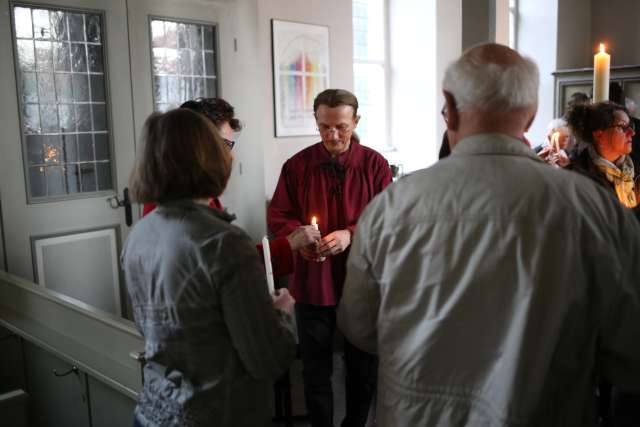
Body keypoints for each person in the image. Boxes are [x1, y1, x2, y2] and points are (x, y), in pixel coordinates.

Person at [338, 43, 640, 426]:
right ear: (530, 116)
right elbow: (628, 346)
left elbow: (359, 325)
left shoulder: (392, 206)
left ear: (448, 105)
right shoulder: (591, 208)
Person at [122, 108, 297, 427]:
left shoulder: (139, 236)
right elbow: (267, 361)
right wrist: (282, 312)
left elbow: (155, 330)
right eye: (223, 148)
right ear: (210, 158)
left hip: (152, 413)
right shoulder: (223, 242)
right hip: (215, 414)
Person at [267, 89, 392, 427]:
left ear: (356, 122)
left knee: (362, 369)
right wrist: (299, 238)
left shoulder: (375, 165)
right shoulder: (296, 166)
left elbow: (386, 220)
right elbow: (278, 216)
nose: (333, 136)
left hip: (360, 283)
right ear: (316, 122)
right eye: (324, 127)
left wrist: (351, 233)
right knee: (316, 371)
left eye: (342, 127)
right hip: (313, 284)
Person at [142, 97, 320, 277]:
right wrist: (288, 244)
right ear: (197, 145)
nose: (230, 157)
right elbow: (226, 268)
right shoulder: (177, 212)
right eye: (224, 145)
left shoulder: (190, 196)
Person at [566, 101, 640, 219]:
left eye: (631, 126)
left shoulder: (636, 166)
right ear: (599, 134)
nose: (632, 132)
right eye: (622, 127)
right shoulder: (578, 176)